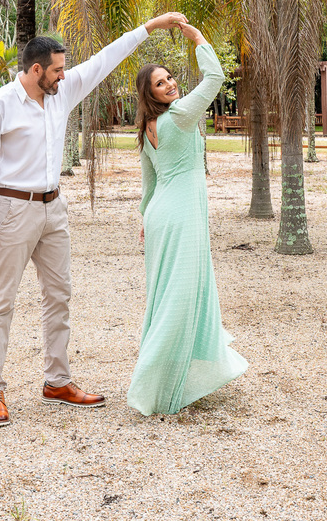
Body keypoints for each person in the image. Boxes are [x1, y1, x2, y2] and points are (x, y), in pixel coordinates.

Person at [0, 12, 188, 427]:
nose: (64, 76)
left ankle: (57, 382)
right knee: (2, 300)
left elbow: (106, 59)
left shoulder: (61, 93)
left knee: (59, 295)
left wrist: (151, 27)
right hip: (13, 209)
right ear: (36, 70)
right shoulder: (0, 105)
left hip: (55, 209)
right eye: (57, 70)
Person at [127, 22, 247, 415]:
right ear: (150, 94)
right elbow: (214, 78)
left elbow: (149, 184)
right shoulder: (178, 115)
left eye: (170, 78)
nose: (170, 85)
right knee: (178, 296)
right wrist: (198, 39)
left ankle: (172, 376)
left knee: (167, 295)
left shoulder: (147, 128)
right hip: (180, 215)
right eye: (160, 84)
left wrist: (145, 219)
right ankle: (152, 383)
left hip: (162, 215)